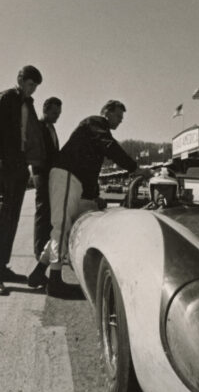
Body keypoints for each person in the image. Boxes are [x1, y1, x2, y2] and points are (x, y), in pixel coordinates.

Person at [27, 100, 150, 294]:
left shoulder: (95, 130)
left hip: (70, 177)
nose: (120, 121)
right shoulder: (95, 122)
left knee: (63, 228)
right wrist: (135, 168)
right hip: (66, 175)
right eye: (118, 116)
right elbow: (110, 147)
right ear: (106, 113)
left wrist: (94, 196)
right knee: (61, 228)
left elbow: (90, 169)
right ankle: (55, 282)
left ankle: (39, 272)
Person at [0, 65, 45, 296]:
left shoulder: (28, 104)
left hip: (20, 166)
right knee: (1, 218)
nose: (33, 90)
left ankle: (3, 267)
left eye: (36, 86)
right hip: (6, 165)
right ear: (20, 81)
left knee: (12, 219)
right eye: (30, 85)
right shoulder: (5, 98)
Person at [33, 96, 63, 262]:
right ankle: (39, 250)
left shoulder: (51, 127)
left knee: (49, 212)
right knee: (43, 212)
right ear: (45, 110)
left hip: (50, 174)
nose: (57, 116)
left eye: (59, 113)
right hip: (42, 174)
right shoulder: (39, 126)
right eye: (54, 113)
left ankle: (45, 247)